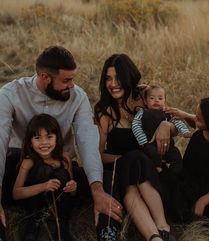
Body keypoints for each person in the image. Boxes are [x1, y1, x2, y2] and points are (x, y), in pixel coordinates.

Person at [0, 46, 122, 232]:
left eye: (73, 79)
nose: (72, 85)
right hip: (21, 167)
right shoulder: (11, 94)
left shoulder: (78, 97)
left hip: (60, 172)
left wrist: (97, 190)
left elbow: (87, 142)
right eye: (66, 80)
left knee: (108, 181)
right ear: (44, 77)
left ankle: (104, 231)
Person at [94, 54, 176, 241]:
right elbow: (98, 155)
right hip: (121, 169)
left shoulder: (145, 97)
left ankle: (159, 231)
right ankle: (159, 232)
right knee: (133, 161)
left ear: (129, 77)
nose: (113, 83)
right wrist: (125, 159)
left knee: (137, 168)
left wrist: (166, 126)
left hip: (150, 171)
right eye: (108, 78)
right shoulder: (105, 111)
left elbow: (172, 122)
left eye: (118, 78)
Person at [167, 96, 209, 226]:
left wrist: (203, 201)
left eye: (199, 116)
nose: (196, 116)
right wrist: (184, 115)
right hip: (191, 183)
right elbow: (195, 121)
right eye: (197, 114)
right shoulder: (202, 131)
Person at [13, 113, 77, 241]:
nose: (44, 142)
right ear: (30, 142)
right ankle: (33, 226)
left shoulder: (65, 159)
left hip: (58, 204)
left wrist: (72, 186)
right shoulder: (29, 161)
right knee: (44, 170)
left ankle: (61, 228)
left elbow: (73, 193)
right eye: (37, 138)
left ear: (57, 139)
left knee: (61, 174)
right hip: (34, 202)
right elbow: (16, 193)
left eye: (49, 137)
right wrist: (43, 187)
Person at [132, 85, 191, 174]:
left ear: (164, 101)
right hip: (150, 143)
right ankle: (157, 167)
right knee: (151, 154)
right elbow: (136, 125)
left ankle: (177, 173)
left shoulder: (167, 112)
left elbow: (177, 122)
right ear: (145, 101)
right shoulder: (142, 112)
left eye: (160, 98)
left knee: (176, 155)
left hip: (167, 145)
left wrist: (185, 132)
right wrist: (143, 142)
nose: (156, 100)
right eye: (152, 98)